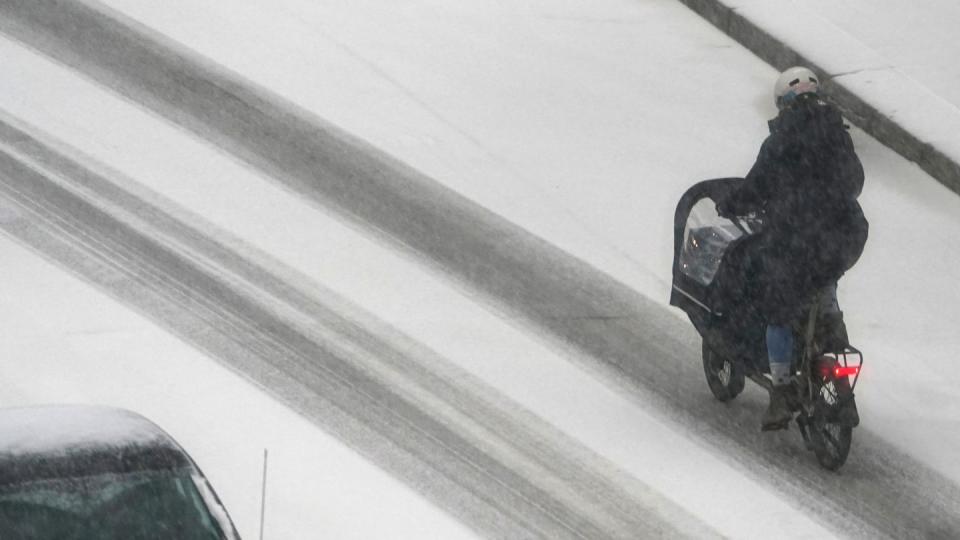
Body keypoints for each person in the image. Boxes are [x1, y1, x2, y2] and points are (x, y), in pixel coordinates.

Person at [716, 66, 868, 430]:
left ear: (783, 103)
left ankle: (781, 392)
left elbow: (756, 187)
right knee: (824, 281)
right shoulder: (837, 134)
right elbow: (856, 180)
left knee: (779, 309)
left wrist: (732, 204)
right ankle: (838, 364)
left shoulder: (781, 140)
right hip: (845, 235)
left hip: (797, 238)